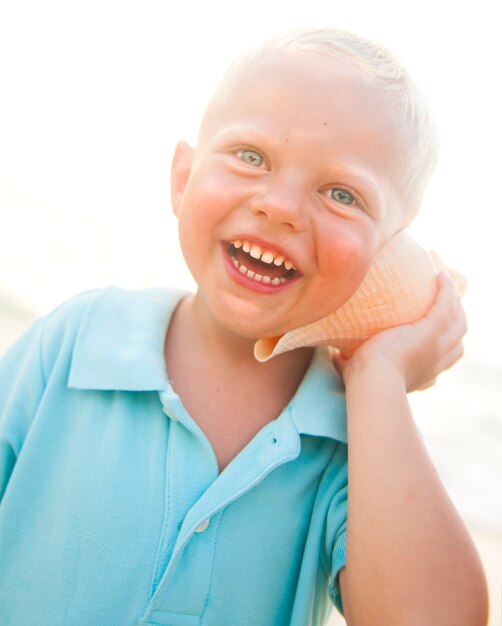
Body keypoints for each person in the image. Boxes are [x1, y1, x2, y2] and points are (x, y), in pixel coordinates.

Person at [0, 28, 488, 626]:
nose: (279, 206)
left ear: (385, 256)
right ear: (183, 178)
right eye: (251, 156)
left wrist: (379, 375)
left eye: (341, 193)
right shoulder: (81, 340)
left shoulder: (352, 447)